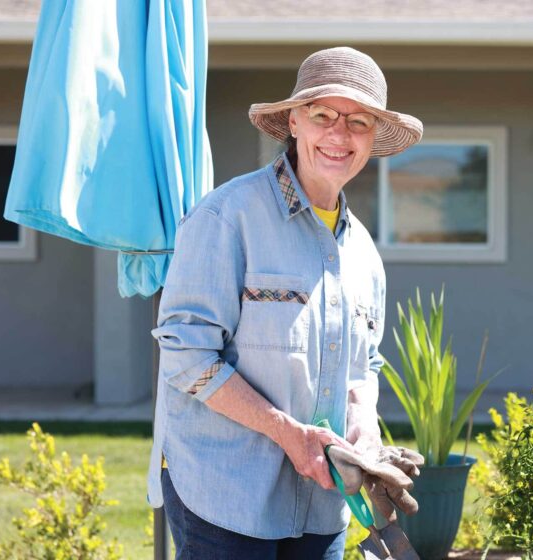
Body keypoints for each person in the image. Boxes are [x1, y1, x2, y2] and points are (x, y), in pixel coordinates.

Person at [146, 46, 424, 560]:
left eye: (359, 122)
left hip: (324, 503)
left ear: (372, 141)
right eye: (324, 115)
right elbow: (187, 355)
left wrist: (363, 430)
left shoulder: (363, 252)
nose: (340, 135)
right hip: (225, 493)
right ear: (294, 121)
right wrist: (287, 433)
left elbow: (365, 366)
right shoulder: (227, 217)